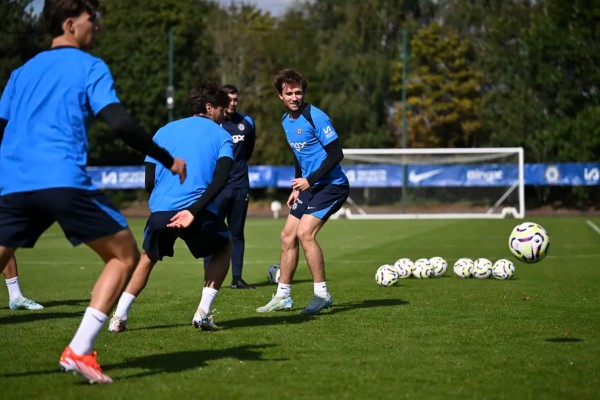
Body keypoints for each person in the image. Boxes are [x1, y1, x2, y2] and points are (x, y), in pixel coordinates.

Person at [0, 0, 186, 384]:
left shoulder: (21, 71)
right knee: (125, 255)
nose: (96, 27)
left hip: (12, 182)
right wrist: (166, 159)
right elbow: (119, 123)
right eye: (91, 20)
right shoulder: (89, 66)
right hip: (60, 179)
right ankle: (80, 350)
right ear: (70, 24)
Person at [107, 81, 233, 333]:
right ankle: (203, 314)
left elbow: (149, 181)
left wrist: (163, 204)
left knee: (147, 258)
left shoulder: (163, 131)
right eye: (221, 109)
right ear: (209, 108)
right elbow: (222, 178)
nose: (223, 114)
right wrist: (194, 210)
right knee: (224, 247)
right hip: (196, 212)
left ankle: (118, 318)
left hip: (161, 211)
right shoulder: (222, 135)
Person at [256, 68, 349, 315]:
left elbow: (336, 154)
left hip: (331, 186)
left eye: (298, 92)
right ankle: (283, 296)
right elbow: (299, 154)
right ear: (280, 96)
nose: (295, 97)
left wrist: (310, 179)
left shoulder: (316, 117)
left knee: (305, 234)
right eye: (289, 93)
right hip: (308, 186)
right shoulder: (286, 121)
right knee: (287, 236)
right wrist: (298, 185)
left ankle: (322, 295)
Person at [209, 84, 256, 289]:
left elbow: (248, 151)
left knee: (237, 233)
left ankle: (237, 278)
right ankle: (209, 278)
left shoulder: (246, 123)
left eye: (236, 99)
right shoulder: (212, 124)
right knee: (212, 233)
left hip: (240, 187)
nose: (233, 103)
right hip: (217, 189)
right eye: (229, 99)